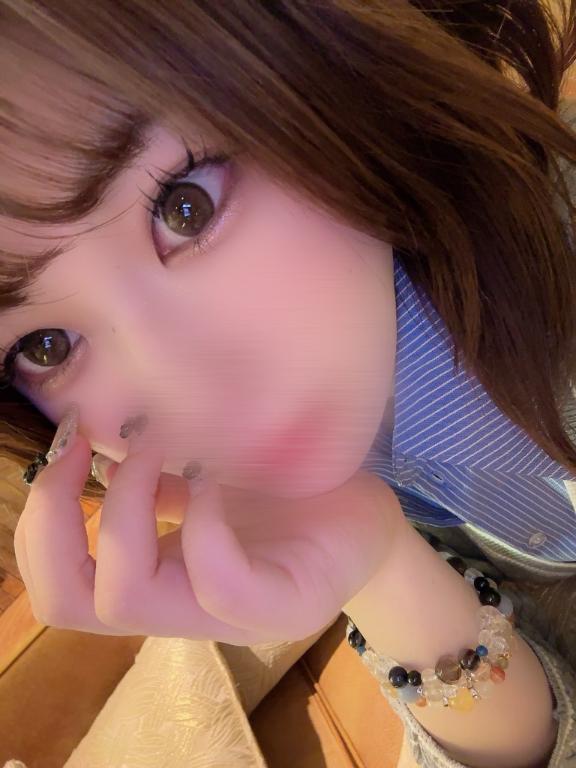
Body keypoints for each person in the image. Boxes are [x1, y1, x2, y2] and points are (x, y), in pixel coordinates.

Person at [2, 1, 576, 766]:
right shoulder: (317, 478)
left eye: (186, 206)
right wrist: (383, 568)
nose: (191, 393)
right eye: (45, 346)